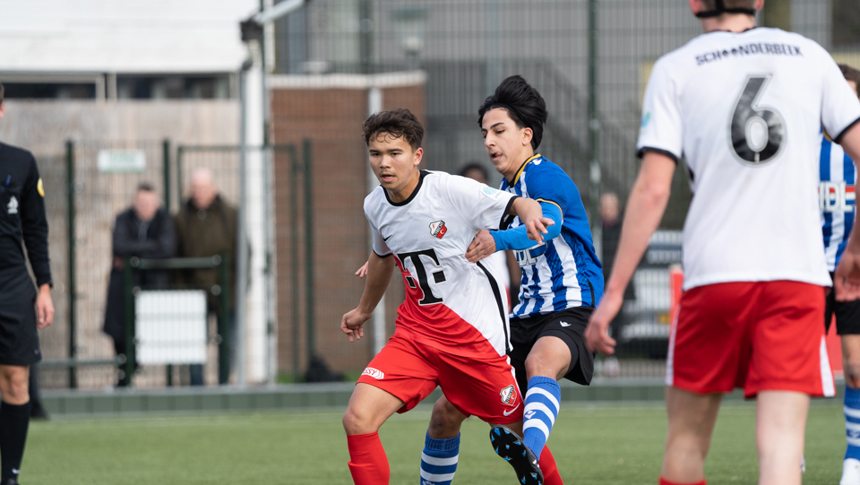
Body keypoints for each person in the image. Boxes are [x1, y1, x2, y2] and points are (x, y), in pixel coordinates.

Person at [584, 2, 860, 484]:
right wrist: (855, 248)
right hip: (796, 279)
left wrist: (613, 292)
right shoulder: (810, 55)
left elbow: (653, 189)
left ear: (694, 3)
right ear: (757, 0)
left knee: (687, 443)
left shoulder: (677, 68)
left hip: (716, 275)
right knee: (780, 450)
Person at [341, 108, 551, 485]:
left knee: (519, 435)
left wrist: (531, 209)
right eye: (376, 154)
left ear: (417, 155)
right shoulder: (375, 204)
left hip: (474, 340)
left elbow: (513, 205)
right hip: (416, 336)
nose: (384, 163)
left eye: (395, 153)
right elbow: (382, 257)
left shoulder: (450, 190)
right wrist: (363, 310)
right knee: (358, 418)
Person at [422, 75, 604, 485]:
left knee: (542, 362)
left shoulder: (544, 176)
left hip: (572, 304)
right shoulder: (505, 190)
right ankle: (530, 463)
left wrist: (498, 239)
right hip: (522, 316)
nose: (488, 141)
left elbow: (548, 224)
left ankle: (529, 456)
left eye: (499, 130)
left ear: (526, 135)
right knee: (446, 411)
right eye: (485, 132)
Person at [0, 81, 55, 485]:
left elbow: (35, 229)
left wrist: (46, 286)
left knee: (15, 378)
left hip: (12, 285)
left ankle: (11, 477)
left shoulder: (21, 162)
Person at [821, 63, 860, 485]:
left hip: (852, 273)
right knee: (794, 370)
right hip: (806, 274)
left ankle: (854, 459)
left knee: (855, 367)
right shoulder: (800, 151)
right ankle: (789, 454)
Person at [103, 182, 176, 387]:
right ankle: (124, 376)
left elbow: (167, 248)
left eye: (149, 202)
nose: (145, 206)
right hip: (124, 288)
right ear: (134, 202)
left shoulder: (164, 219)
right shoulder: (123, 218)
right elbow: (119, 246)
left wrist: (133, 255)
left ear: (156, 203)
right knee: (119, 331)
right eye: (141, 202)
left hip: (154, 288)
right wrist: (153, 247)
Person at [174, 168, 239, 386]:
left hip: (226, 291)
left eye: (203, 188)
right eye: (195, 188)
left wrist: (237, 288)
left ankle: (223, 383)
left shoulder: (230, 215)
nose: (198, 193)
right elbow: (176, 255)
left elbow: (242, 253)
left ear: (213, 188)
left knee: (227, 342)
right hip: (193, 292)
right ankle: (196, 386)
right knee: (194, 343)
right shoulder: (181, 218)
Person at [458, 161, 520, 304]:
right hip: (467, 291)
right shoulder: (456, 218)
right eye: (470, 181)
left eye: (479, 180)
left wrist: (515, 285)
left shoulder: (498, 215)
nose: (476, 186)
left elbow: (510, 253)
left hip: (499, 285)